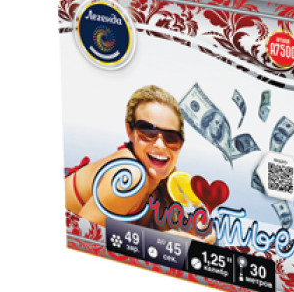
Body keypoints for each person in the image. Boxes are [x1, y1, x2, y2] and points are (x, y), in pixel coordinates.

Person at [65, 85, 214, 243]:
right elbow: (81, 236)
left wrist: (198, 232)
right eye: (148, 132)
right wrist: (161, 240)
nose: (160, 145)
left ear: (181, 144)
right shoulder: (130, 177)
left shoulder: (163, 186)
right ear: (130, 131)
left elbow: (170, 231)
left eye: (171, 138)